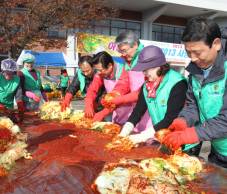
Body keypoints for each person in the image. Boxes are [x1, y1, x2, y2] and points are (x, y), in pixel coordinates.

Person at [161, 16, 227, 167]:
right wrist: (182, 122)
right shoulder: (196, 71)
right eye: (188, 52)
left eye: (197, 52)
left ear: (216, 44)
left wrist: (188, 135)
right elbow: (194, 105)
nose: (193, 58)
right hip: (218, 150)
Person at [118, 46, 187, 145]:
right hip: (162, 135)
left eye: (146, 69)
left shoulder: (177, 83)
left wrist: (141, 137)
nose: (144, 73)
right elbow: (137, 112)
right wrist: (124, 132)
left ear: (159, 66)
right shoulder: (147, 86)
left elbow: (171, 118)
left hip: (182, 138)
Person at [86, 30, 153, 132]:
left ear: (135, 44)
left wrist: (122, 99)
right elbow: (124, 82)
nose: (123, 54)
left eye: (125, 50)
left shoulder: (148, 58)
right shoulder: (129, 62)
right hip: (135, 111)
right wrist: (113, 96)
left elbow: (147, 88)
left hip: (149, 110)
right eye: (121, 51)